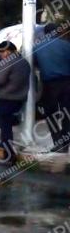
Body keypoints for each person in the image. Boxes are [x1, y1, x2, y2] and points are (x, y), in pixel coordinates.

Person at [0, 41, 32, 165]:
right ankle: (5, 145)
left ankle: (9, 157)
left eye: (1, 52)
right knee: (7, 124)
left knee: (5, 128)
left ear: (7, 52)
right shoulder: (24, 62)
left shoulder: (9, 62)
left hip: (7, 98)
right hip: (19, 98)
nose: (0, 55)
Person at [34, 23, 70, 152]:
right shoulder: (67, 45)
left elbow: (34, 64)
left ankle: (57, 142)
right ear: (58, 31)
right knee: (67, 114)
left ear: (45, 33)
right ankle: (66, 143)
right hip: (67, 83)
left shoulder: (38, 47)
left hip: (49, 85)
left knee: (51, 114)